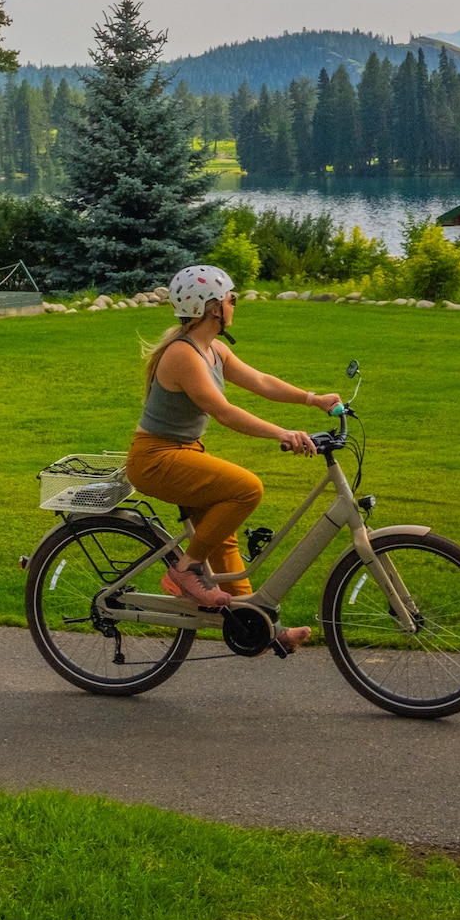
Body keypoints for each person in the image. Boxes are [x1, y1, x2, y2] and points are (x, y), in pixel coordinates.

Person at [126, 264, 341, 652]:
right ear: (212, 308)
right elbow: (223, 412)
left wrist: (314, 399)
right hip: (156, 459)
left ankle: (261, 627)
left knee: (223, 540)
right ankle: (185, 572)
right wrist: (282, 433)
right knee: (246, 488)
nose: (234, 305)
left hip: (183, 453)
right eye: (231, 299)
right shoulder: (183, 355)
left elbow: (259, 381)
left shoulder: (213, 348)